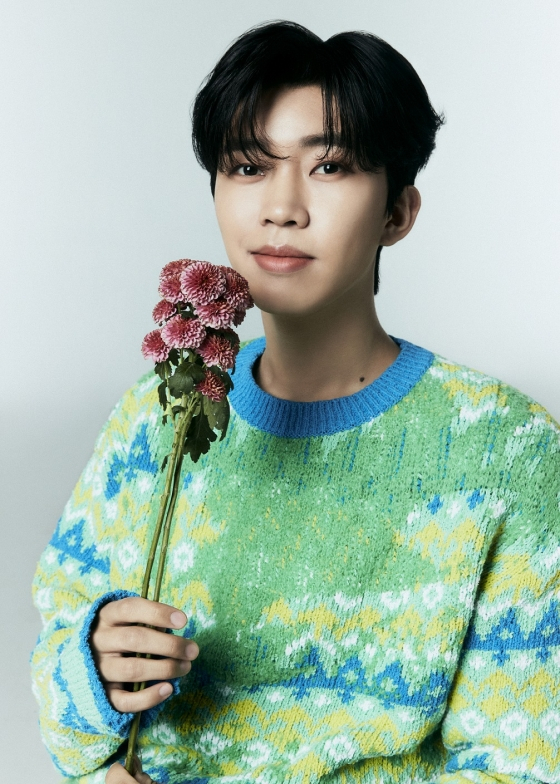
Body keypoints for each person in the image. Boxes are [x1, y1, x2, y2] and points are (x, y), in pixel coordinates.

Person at [31, 20, 560, 784]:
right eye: (249, 166)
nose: (281, 207)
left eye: (330, 166)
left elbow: (519, 765)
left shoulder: (508, 452)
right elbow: (64, 707)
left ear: (398, 212)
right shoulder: (158, 416)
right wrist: (93, 677)